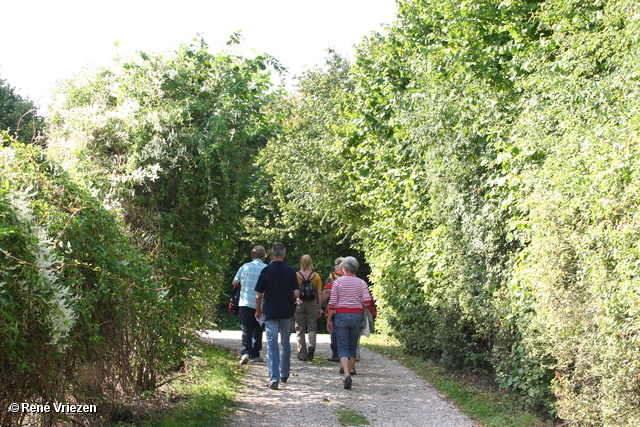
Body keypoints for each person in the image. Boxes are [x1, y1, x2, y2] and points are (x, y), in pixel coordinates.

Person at [255, 243, 300, 390]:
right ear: (284, 255)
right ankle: (284, 373)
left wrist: (258, 311)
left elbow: (259, 295)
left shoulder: (266, 271)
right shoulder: (291, 271)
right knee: (285, 343)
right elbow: (297, 294)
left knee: (272, 344)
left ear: (271, 255)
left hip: (271, 311)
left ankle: (273, 379)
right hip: (287, 312)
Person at [326, 256, 373, 390]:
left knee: (342, 346)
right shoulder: (362, 283)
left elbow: (332, 302)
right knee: (353, 345)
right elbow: (367, 300)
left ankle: (347, 374)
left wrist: (329, 319)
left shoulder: (338, 282)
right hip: (357, 315)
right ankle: (348, 371)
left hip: (341, 315)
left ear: (344, 268)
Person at [232, 245, 267, 364]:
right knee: (258, 328)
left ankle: (245, 352)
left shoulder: (244, 267)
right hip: (261, 304)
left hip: (245, 302)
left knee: (246, 328)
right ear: (264, 256)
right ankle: (255, 354)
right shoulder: (266, 269)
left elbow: (235, 282)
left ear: (252, 255)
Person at [294, 255, 323, 361]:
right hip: (312, 302)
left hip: (300, 302)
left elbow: (294, 291)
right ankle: (311, 345)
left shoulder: (296, 275)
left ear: (301, 263)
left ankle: (302, 354)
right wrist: (319, 307)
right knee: (312, 327)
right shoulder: (316, 276)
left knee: (300, 328)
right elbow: (319, 292)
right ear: (311, 263)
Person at [321, 257, 343, 361]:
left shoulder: (333, 276)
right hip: (348, 308)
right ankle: (346, 355)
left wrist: (319, 304)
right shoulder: (352, 276)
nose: (334, 266)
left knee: (334, 331)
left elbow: (327, 291)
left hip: (334, 308)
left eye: (335, 264)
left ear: (338, 265)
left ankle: (335, 354)